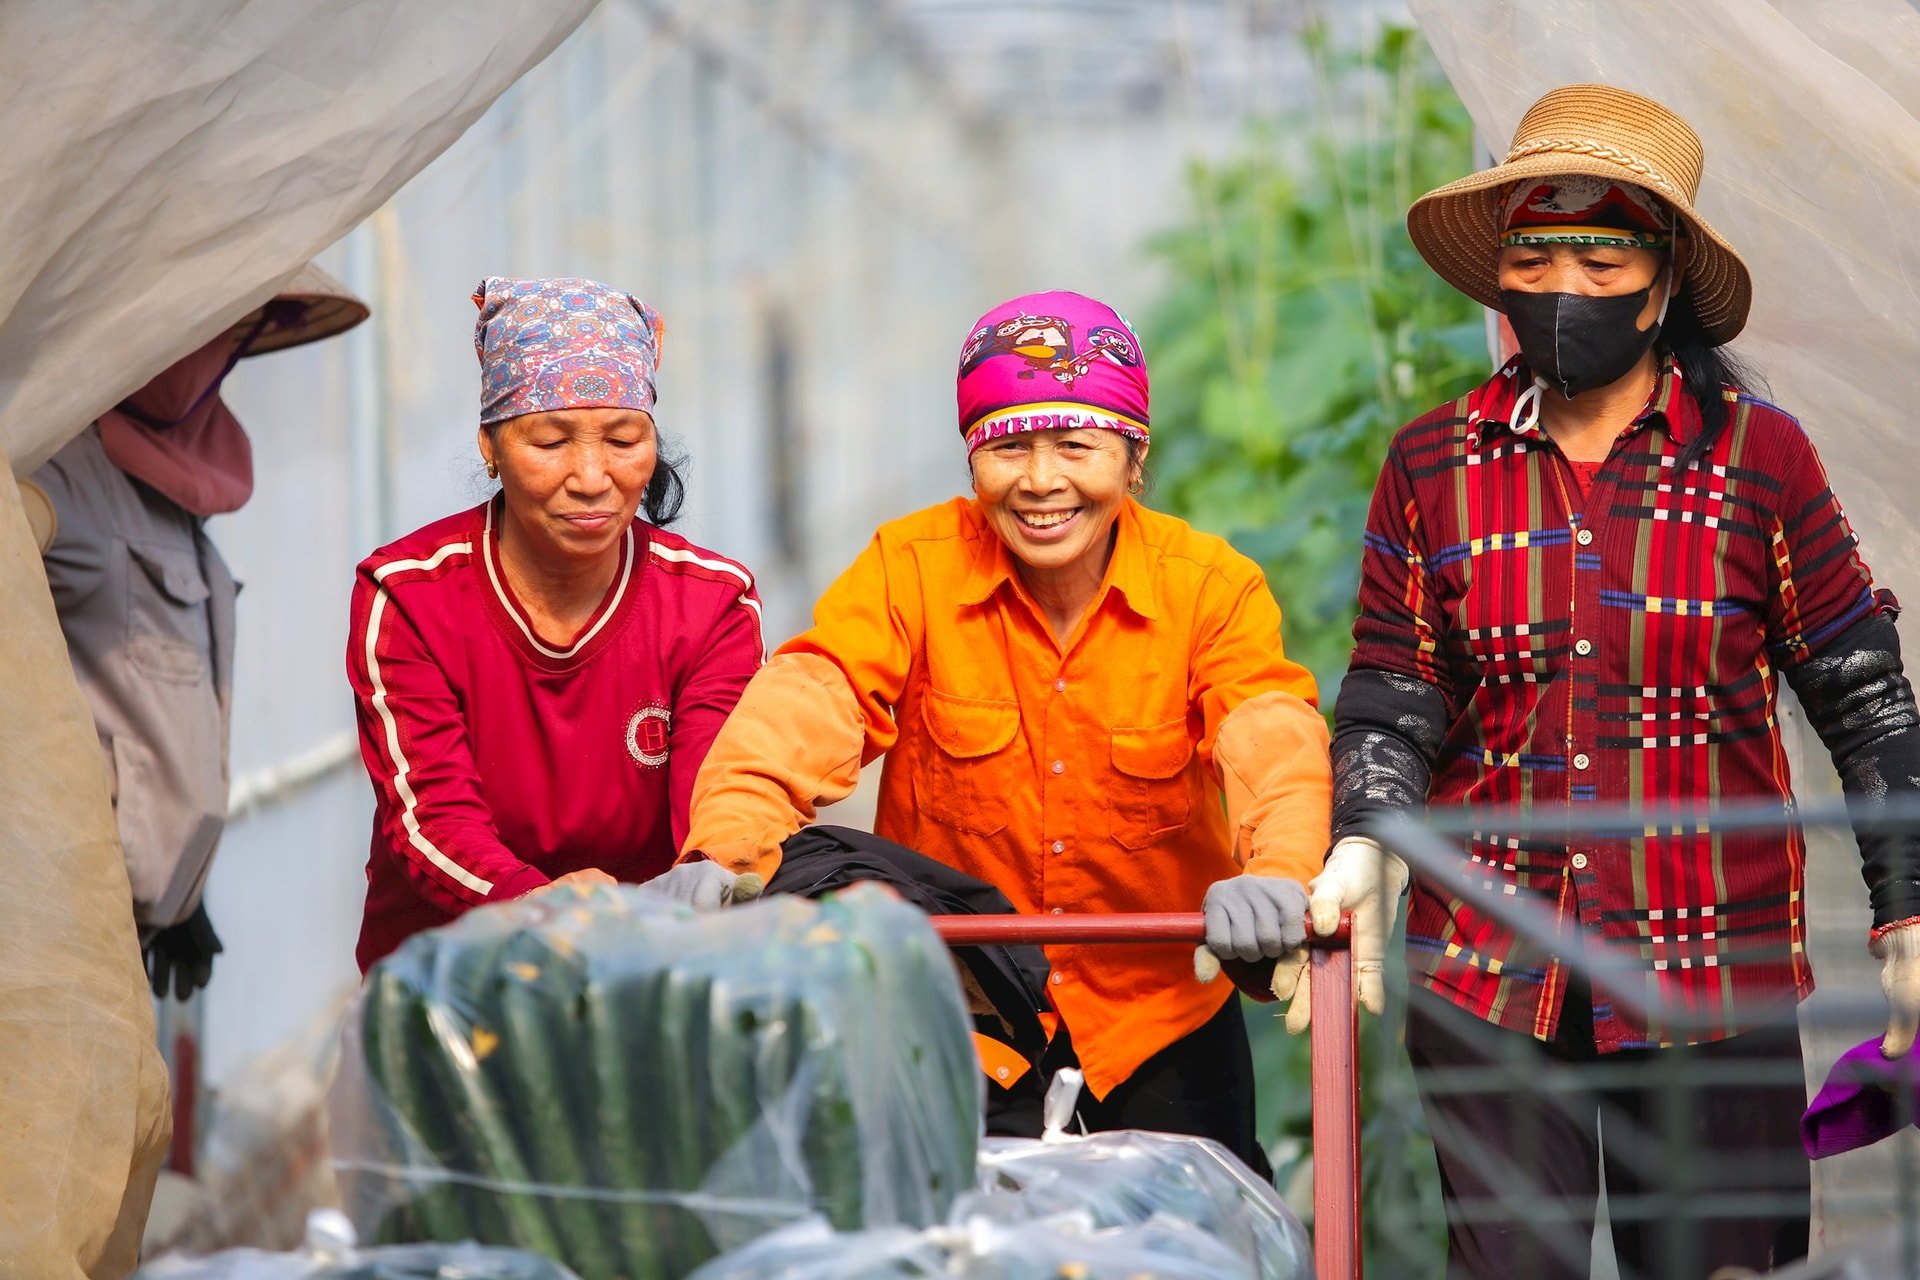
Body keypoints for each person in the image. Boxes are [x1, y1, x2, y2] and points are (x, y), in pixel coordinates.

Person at [1330, 84, 1920, 1277]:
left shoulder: (1761, 457)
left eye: (1602, 257)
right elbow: (1396, 687)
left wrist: (1909, 901)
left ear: (1664, 284)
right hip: (1489, 959)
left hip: (1714, 953)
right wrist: (1365, 840)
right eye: (1535, 254)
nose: (1564, 287)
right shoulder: (1432, 464)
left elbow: (1860, 691)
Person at [665, 290, 1332, 1174]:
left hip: (1158, 1016)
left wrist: (1278, 875)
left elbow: (1268, 732)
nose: (1042, 480)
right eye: (1008, 446)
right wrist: (722, 852)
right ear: (974, 461)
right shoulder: (911, 568)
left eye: (1076, 445)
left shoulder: (1209, 586)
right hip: (962, 1015)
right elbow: (810, 699)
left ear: (1134, 460)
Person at [347, 276, 763, 971]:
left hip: (650, 970)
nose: (592, 475)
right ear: (491, 445)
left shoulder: (711, 603)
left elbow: (716, 806)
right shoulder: (411, 595)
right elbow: (431, 818)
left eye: (624, 438)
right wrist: (541, 908)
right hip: (449, 983)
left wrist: (701, 884)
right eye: (551, 441)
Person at [28, 263, 370, 1001]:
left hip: (132, 918)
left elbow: (155, 702)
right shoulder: (56, 470)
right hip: (52, 919)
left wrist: (183, 883)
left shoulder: (167, 488)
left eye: (219, 336)